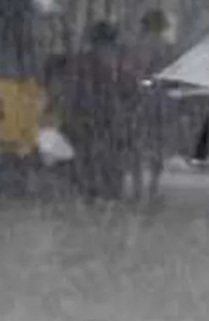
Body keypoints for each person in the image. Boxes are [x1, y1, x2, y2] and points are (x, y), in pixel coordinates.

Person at [59, 21, 131, 200]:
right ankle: (97, 190)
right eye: (104, 46)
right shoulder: (90, 64)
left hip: (99, 120)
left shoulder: (88, 63)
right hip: (94, 120)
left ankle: (98, 191)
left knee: (96, 158)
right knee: (95, 157)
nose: (106, 50)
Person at [126, 10, 176, 201]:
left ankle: (138, 188)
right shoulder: (163, 46)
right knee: (156, 146)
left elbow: (135, 71)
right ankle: (152, 189)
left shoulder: (137, 45)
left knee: (139, 144)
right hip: (158, 99)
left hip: (140, 98)